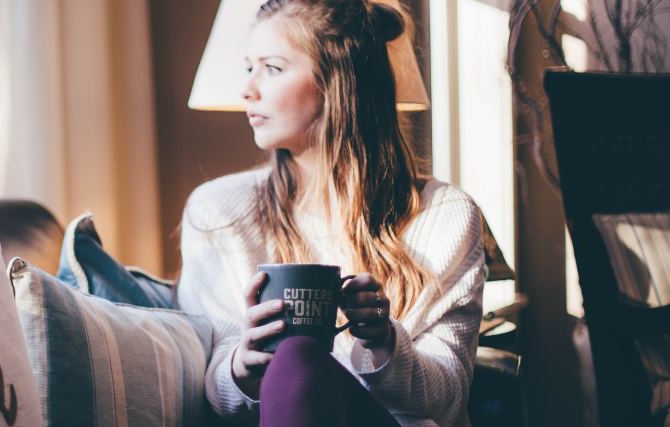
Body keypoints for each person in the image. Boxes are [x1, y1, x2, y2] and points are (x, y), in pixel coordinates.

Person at [176, 1, 486, 426]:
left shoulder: (444, 216)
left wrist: (382, 342)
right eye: (249, 67)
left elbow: (448, 399)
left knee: (300, 356)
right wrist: (241, 367)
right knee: (294, 358)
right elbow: (217, 391)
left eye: (272, 68)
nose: (247, 89)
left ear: (338, 81)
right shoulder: (219, 213)